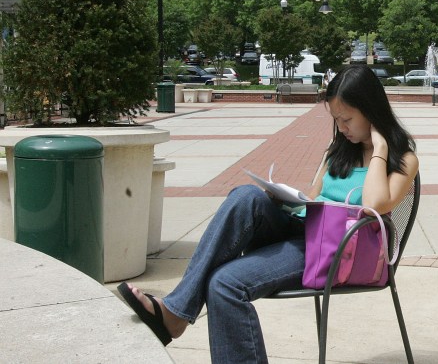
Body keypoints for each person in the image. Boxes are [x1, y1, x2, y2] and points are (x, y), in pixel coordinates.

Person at [118, 65, 419, 363]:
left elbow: (376, 204)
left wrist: (378, 147)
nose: (341, 127)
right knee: (246, 196)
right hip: (306, 229)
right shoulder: (338, 148)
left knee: (223, 284)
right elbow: (314, 199)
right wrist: (286, 200)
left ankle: (174, 316)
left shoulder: (402, 158)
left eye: (347, 119)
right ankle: (176, 310)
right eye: (336, 119)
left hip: (337, 251)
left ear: (371, 110)